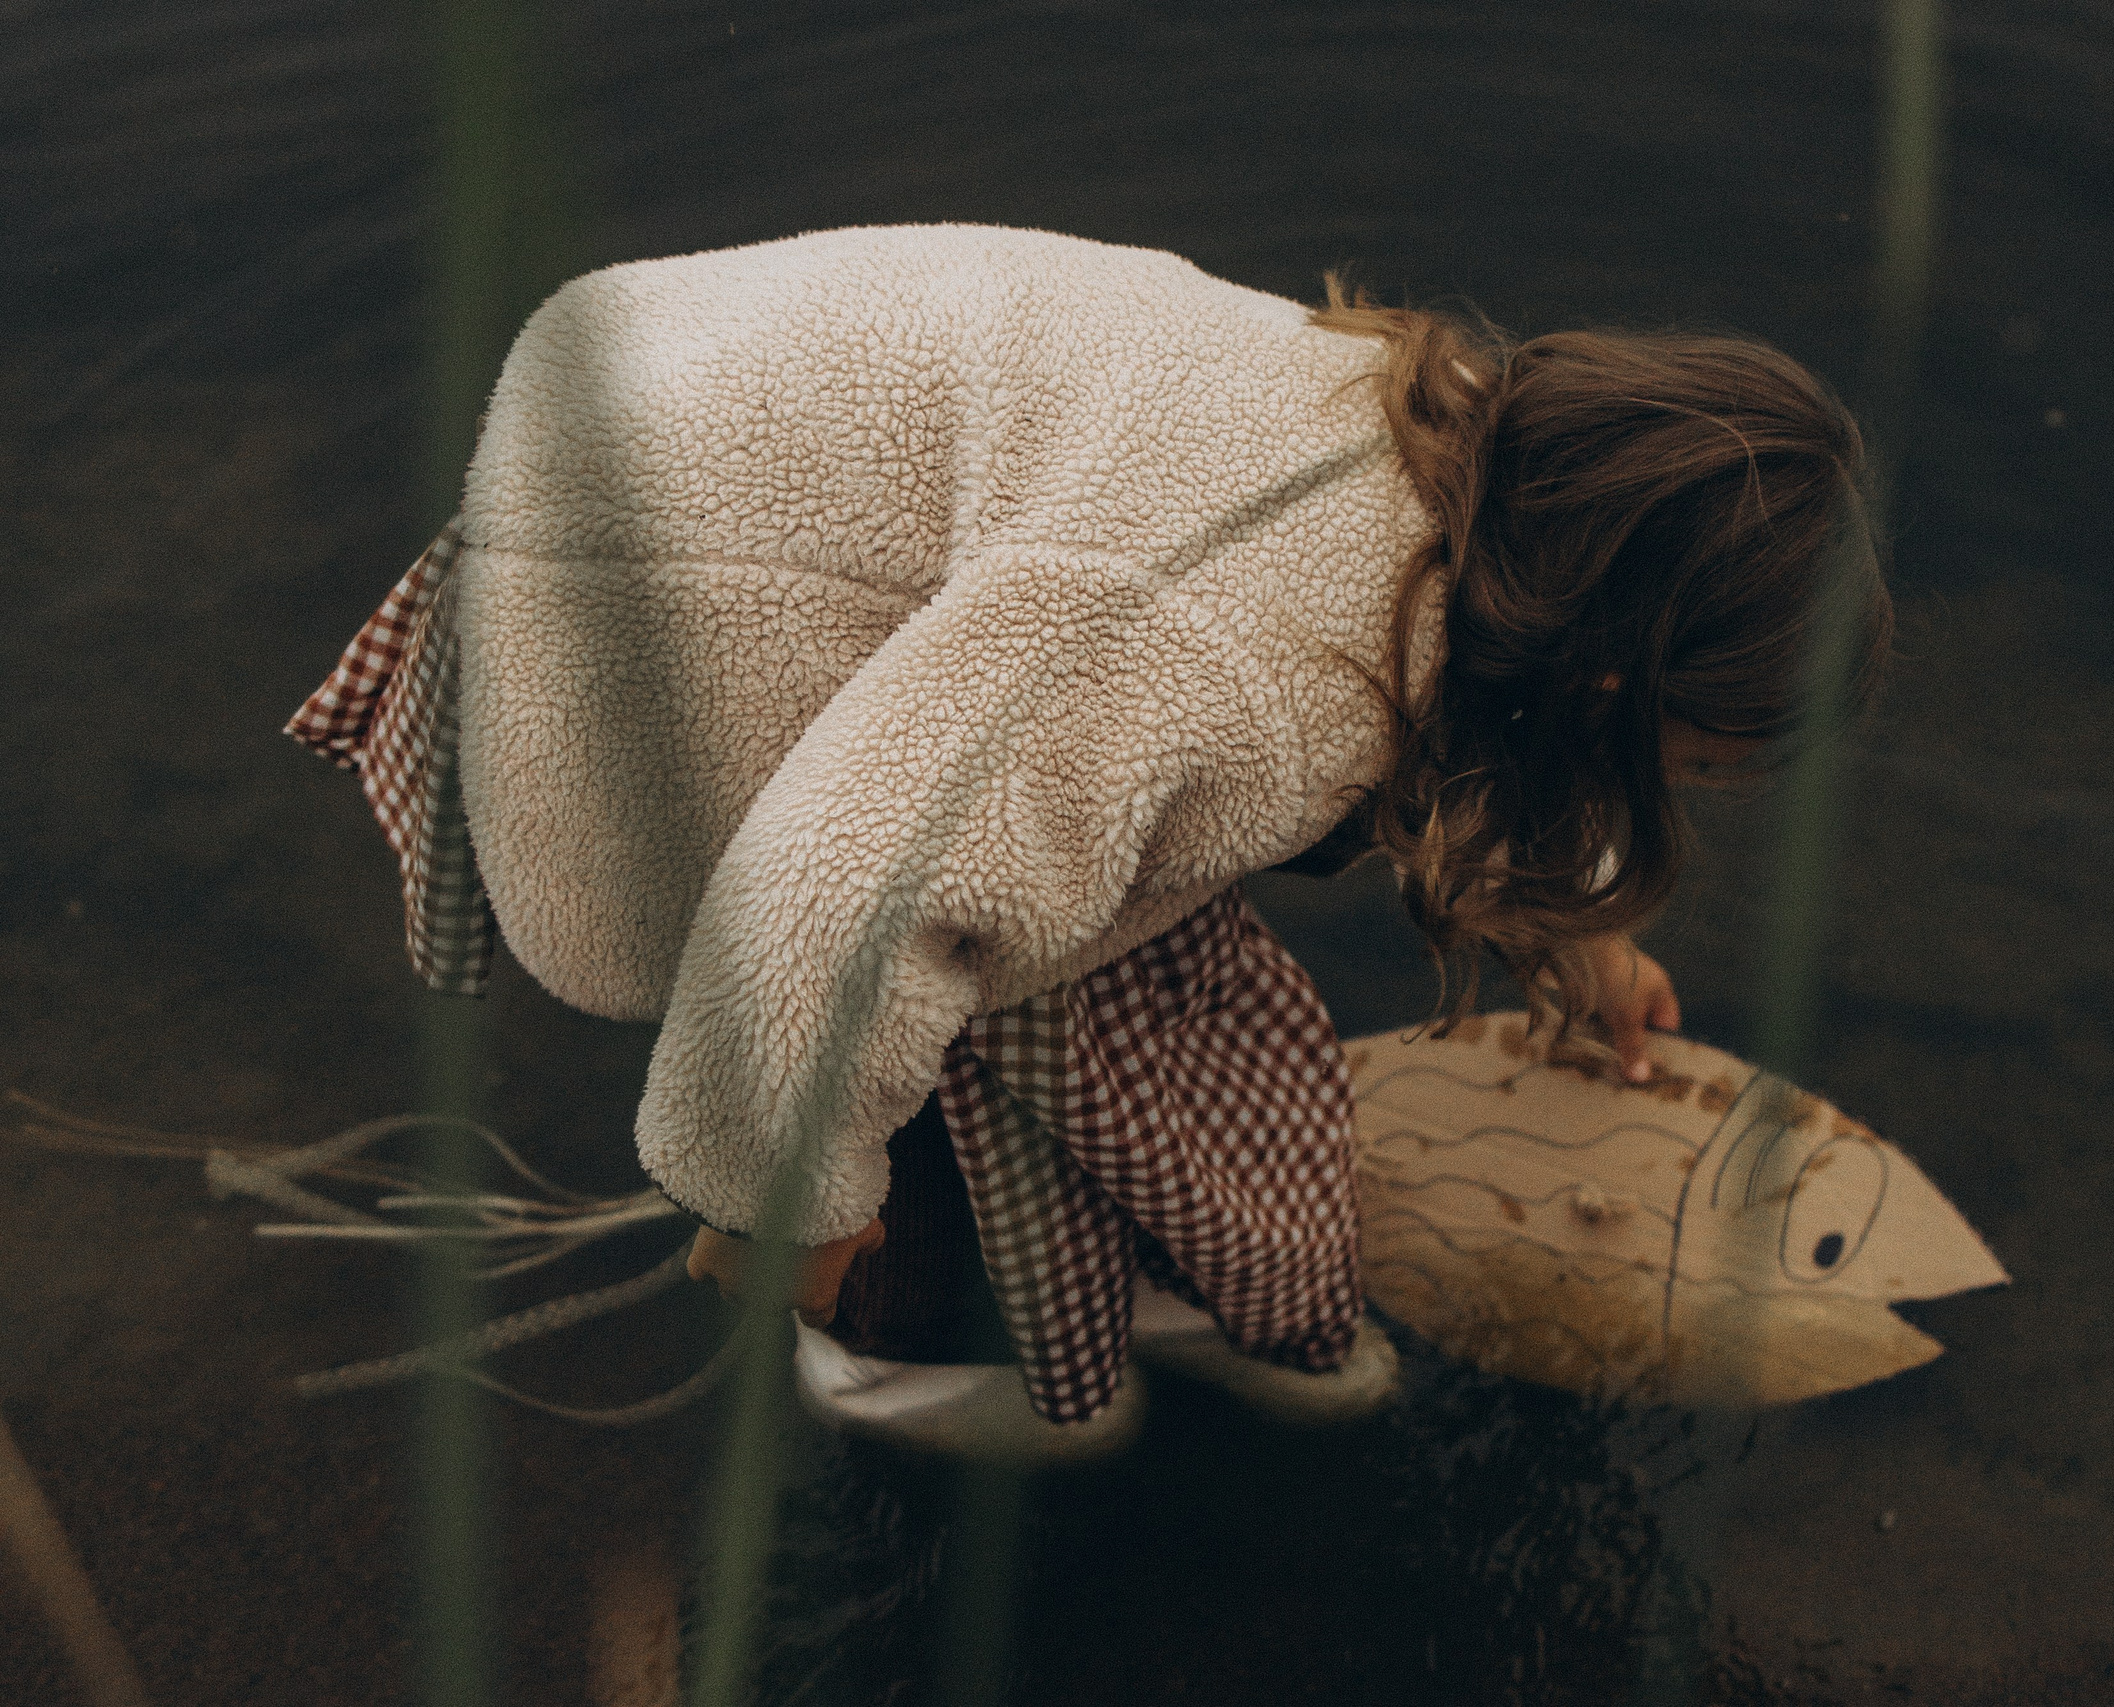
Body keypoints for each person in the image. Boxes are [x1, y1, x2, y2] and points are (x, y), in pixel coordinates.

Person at [288, 223, 1888, 1447]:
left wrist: (1575, 927)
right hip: (643, 651)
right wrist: (787, 1205)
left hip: (659, 416)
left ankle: (1122, 1262)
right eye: (1685, 760)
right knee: (925, 1058)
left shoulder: (1438, 428)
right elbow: (832, 896)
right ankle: (897, 1357)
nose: (1677, 791)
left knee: (1071, 857)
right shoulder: (1248, 664)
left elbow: (1465, 709)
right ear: (1609, 687)